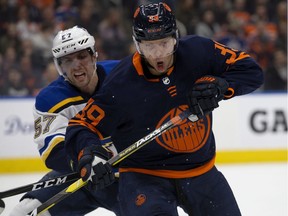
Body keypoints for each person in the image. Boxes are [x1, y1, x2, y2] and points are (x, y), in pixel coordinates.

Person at [65, 3, 264, 216]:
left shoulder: (200, 52)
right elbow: (81, 124)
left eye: (165, 44)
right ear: (137, 44)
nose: (158, 55)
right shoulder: (120, 84)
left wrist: (221, 86)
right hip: (145, 177)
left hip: (201, 172)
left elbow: (251, 70)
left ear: (176, 37)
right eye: (149, 46)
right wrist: (89, 154)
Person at [10, 26, 121, 216]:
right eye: (67, 60)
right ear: (59, 66)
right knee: (25, 211)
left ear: (94, 55)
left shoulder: (122, 75)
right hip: (82, 177)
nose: (76, 65)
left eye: (81, 57)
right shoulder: (50, 99)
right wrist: (85, 163)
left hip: (130, 175)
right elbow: (53, 151)